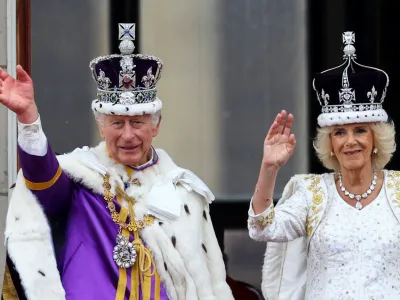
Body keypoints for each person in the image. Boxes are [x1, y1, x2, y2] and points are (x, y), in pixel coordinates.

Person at [0, 23, 234, 300]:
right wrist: (28, 119)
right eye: (117, 123)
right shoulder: (81, 179)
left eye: (137, 122)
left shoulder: (184, 191)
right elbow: (42, 179)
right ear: (101, 126)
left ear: (156, 126)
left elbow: (203, 283)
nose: (127, 135)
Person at [247, 31, 400, 300]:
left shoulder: (399, 190)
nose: (350, 142)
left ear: (376, 137)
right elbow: (262, 228)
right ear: (330, 142)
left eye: (360, 130)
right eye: (339, 132)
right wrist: (269, 168)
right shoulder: (312, 193)